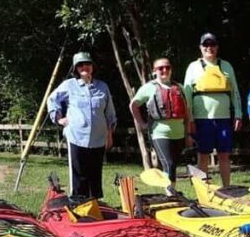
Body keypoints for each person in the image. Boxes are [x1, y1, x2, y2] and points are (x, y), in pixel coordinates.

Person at [47, 52, 116, 199]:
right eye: (80, 65)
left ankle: (95, 206)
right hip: (76, 137)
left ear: (92, 66)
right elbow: (52, 99)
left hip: (98, 138)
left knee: (95, 175)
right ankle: (78, 206)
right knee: (79, 175)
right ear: (76, 68)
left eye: (87, 64)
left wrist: (109, 135)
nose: (85, 67)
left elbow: (110, 112)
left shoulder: (102, 87)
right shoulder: (69, 85)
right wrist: (59, 118)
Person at [182, 33, 242, 186]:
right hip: (202, 119)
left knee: (224, 154)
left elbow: (234, 91)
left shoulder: (226, 66)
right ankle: (204, 190)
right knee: (203, 155)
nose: (209, 48)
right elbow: (187, 95)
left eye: (212, 44)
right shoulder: (193, 67)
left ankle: (227, 188)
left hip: (224, 118)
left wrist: (238, 114)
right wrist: (190, 119)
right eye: (206, 45)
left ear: (217, 47)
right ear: (201, 48)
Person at [129, 58, 192, 190]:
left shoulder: (179, 88)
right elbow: (134, 105)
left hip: (179, 133)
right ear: (154, 71)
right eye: (161, 68)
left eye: (167, 67)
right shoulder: (148, 88)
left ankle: (172, 192)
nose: (165, 70)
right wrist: (142, 124)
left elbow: (187, 113)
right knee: (168, 164)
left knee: (173, 165)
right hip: (159, 133)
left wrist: (188, 134)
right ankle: (170, 194)